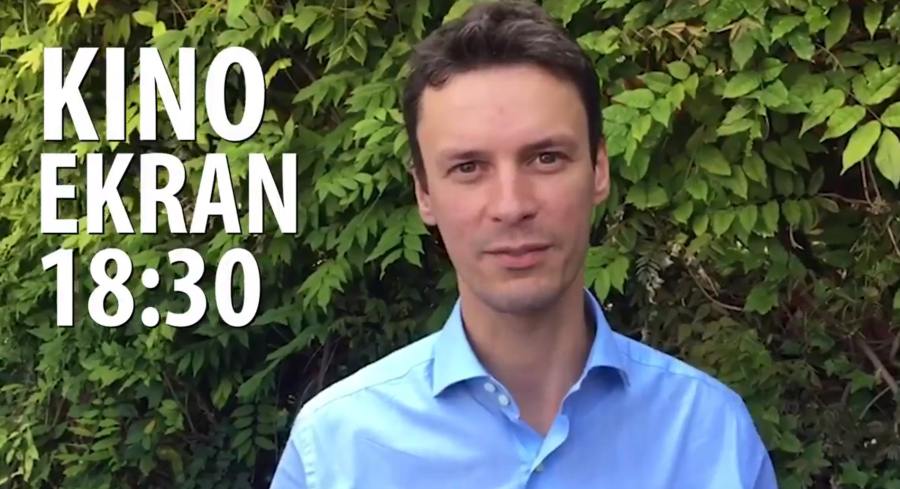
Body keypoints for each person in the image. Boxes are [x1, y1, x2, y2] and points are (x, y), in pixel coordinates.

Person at [270, 0, 779, 487]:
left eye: (546, 158)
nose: (511, 205)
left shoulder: (711, 436)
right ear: (424, 192)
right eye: (468, 167)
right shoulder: (337, 451)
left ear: (599, 169)